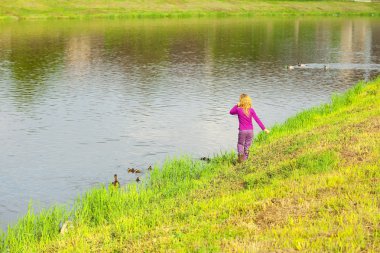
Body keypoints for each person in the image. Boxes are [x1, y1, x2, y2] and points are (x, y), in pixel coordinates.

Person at [230, 94, 270, 163]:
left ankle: (240, 159)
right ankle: (245, 160)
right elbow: (257, 120)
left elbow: (231, 112)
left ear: (241, 101)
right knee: (247, 146)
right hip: (250, 131)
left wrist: (237, 105)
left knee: (240, 144)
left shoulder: (238, 110)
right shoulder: (251, 110)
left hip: (242, 131)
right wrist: (264, 129)